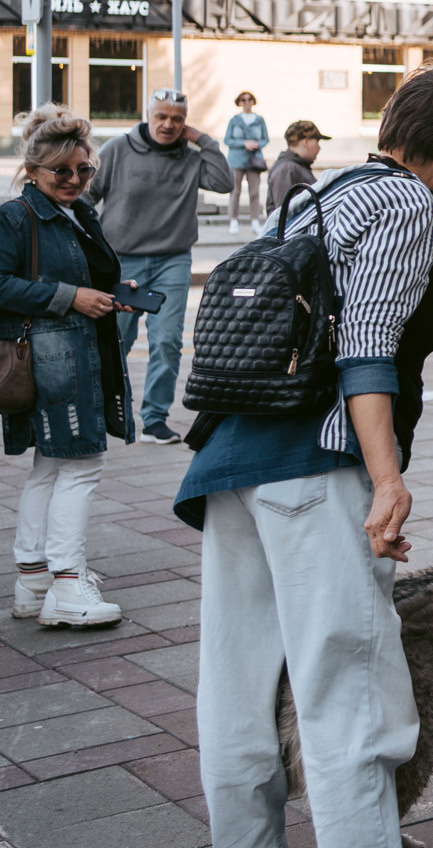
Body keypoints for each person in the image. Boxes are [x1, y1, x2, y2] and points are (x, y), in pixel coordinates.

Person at [177, 67, 433, 848]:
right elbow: (365, 350)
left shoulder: (317, 194)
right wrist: (388, 479)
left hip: (234, 460)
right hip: (314, 469)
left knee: (236, 688)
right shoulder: (403, 202)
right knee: (347, 693)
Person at [2, 105, 138, 629]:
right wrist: (70, 297)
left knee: (53, 464)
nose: (75, 180)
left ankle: (34, 579)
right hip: (53, 359)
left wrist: (109, 296)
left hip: (79, 351)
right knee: (82, 463)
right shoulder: (16, 216)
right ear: (33, 170)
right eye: (62, 171)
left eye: (84, 170)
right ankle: (67, 585)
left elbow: (88, 276)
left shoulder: (81, 214)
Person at [87, 87, 233, 445]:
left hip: (172, 260)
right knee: (117, 338)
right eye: (161, 117)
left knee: (167, 341)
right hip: (122, 262)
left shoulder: (189, 157)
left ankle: (154, 418)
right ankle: (107, 410)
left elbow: (224, 182)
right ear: (147, 116)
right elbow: (87, 198)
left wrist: (203, 139)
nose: (168, 125)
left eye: (177, 120)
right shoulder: (117, 150)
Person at [224, 91, 269, 237]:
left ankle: (255, 221)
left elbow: (265, 139)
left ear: (253, 101)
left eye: (249, 99)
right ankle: (233, 220)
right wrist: (244, 143)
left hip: (254, 160)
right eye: (243, 100)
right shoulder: (234, 120)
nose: (247, 102)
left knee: (254, 192)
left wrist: (256, 144)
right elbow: (227, 140)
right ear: (239, 102)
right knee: (235, 191)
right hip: (237, 160)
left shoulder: (259, 120)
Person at [266, 119, 329, 218]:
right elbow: (284, 216)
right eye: (317, 141)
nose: (319, 148)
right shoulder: (286, 168)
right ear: (306, 142)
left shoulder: (297, 166)